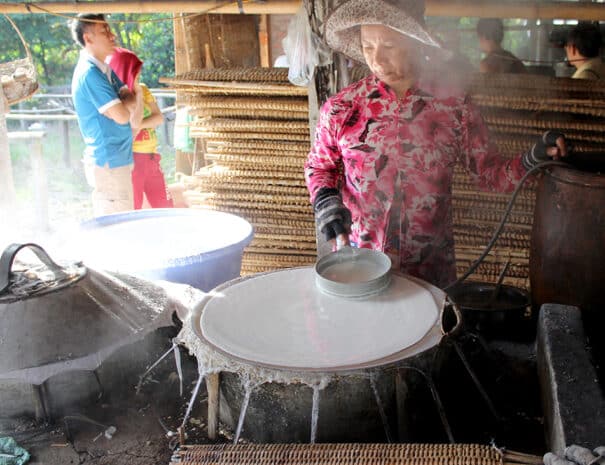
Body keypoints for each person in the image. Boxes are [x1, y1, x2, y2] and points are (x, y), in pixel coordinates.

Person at [304, 0, 567, 289]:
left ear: (415, 42)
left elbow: (489, 174)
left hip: (430, 271)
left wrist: (532, 159)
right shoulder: (343, 109)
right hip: (359, 267)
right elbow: (321, 167)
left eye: (389, 46)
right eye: (368, 46)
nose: (377, 59)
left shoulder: (454, 106)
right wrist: (327, 204)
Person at [71, 14, 143, 216]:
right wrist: (126, 102)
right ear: (88, 38)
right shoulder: (90, 73)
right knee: (118, 230)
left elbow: (129, 102)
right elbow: (121, 115)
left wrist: (126, 100)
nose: (112, 36)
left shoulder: (104, 70)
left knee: (121, 223)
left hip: (117, 160)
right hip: (108, 163)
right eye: (105, 32)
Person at [108, 48, 174, 209]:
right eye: (134, 73)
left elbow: (158, 117)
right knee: (134, 207)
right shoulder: (117, 95)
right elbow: (133, 120)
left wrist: (138, 124)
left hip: (152, 157)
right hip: (133, 159)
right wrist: (137, 95)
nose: (138, 77)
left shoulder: (143, 89)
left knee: (165, 206)